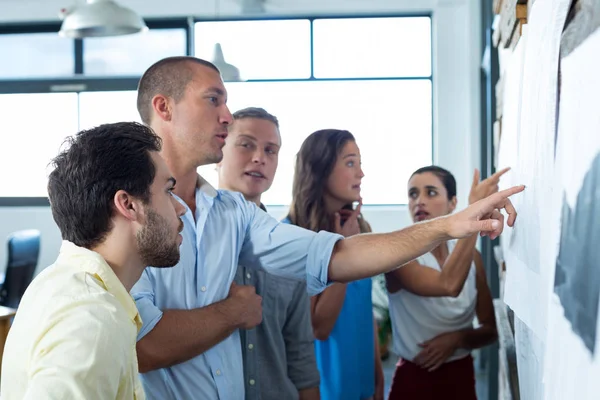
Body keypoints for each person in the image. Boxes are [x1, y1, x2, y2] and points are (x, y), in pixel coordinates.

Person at [130, 55, 522, 400]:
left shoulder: (234, 213)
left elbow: (339, 256)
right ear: (164, 107)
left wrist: (453, 224)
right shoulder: (127, 210)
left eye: (270, 149)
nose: (227, 116)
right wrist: (232, 313)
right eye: (213, 99)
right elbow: (145, 346)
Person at [0, 122, 186, 399]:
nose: (180, 207)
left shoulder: (59, 284)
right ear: (129, 205)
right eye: (168, 191)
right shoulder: (93, 320)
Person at [217, 107, 320, 400]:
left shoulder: (289, 246)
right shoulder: (188, 239)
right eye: (246, 144)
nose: (260, 157)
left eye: (270, 150)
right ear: (218, 149)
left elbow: (299, 351)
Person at [386, 166, 507, 400]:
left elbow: (491, 330)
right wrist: (475, 214)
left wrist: (457, 339)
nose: (419, 201)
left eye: (431, 193)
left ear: (453, 203)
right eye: (413, 194)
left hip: (460, 378)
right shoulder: (399, 256)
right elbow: (449, 285)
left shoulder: (472, 258)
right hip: (413, 382)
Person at [285, 129, 384, 400]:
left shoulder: (361, 229)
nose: (360, 174)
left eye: (360, 163)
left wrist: (377, 374)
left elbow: (366, 311)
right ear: (320, 168)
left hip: (362, 381)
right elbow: (319, 326)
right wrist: (345, 251)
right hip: (324, 388)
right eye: (350, 163)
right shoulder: (292, 235)